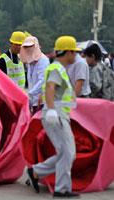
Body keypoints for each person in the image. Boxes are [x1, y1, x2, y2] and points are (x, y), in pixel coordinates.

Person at [27, 36, 80, 198]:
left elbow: (48, 91)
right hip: (55, 115)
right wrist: (50, 110)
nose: (76, 56)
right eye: (74, 52)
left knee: (66, 152)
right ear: (68, 52)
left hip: (58, 114)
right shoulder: (57, 69)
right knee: (68, 152)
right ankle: (61, 189)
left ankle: (37, 172)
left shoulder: (57, 68)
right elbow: (50, 88)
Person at [20, 36, 49, 114]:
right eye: (25, 47)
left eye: (30, 46)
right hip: (33, 101)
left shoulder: (43, 61)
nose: (28, 49)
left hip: (42, 100)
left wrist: (30, 93)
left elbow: (43, 80)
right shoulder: (30, 62)